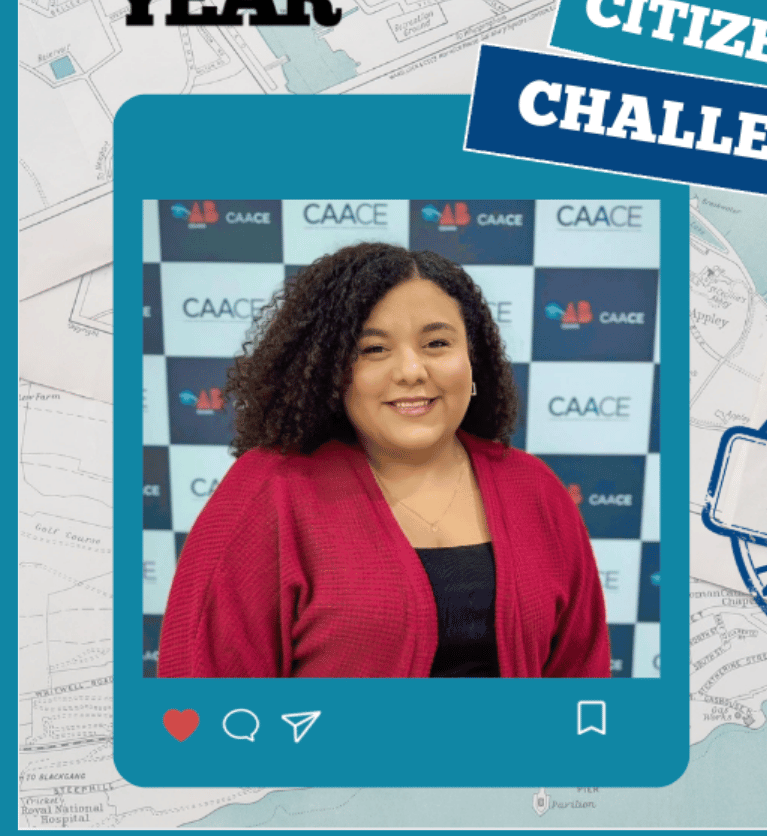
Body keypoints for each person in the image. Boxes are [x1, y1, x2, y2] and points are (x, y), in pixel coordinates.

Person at [157, 242, 610, 678]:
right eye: (373, 349)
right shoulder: (268, 492)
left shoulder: (535, 488)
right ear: (331, 371)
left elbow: (580, 681)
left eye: (436, 344)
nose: (412, 370)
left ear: (474, 359)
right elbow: (204, 687)